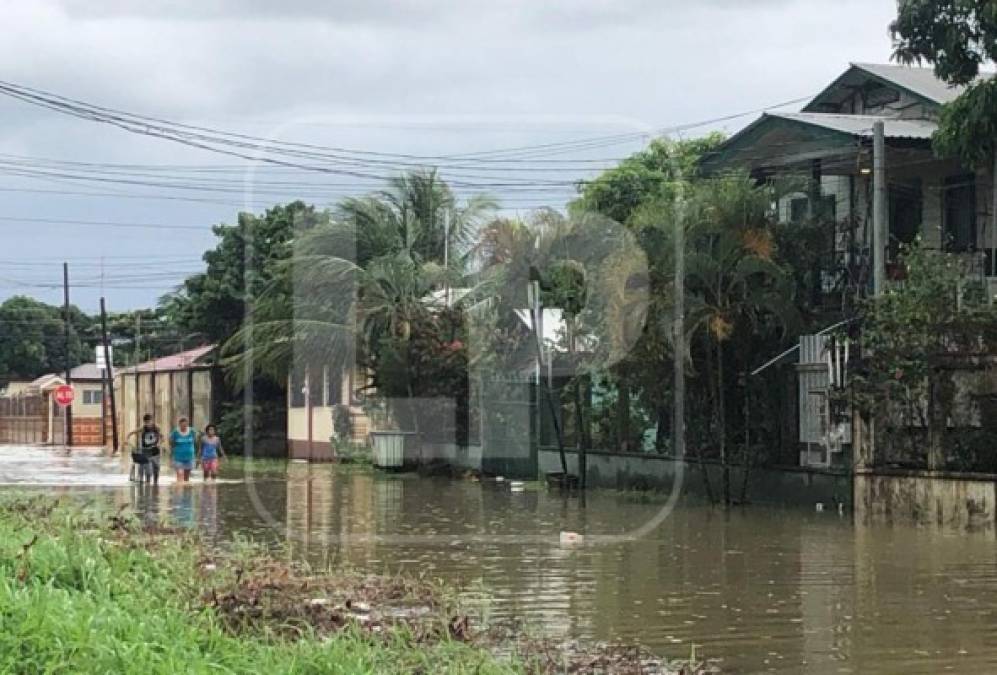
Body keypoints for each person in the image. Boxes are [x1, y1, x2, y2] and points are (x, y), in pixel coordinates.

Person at [125, 414, 161, 485]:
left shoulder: (157, 428)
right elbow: (130, 433)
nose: (148, 424)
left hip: (155, 450)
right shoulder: (143, 428)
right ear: (144, 422)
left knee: (156, 467)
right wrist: (128, 441)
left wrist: (159, 444)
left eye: (150, 422)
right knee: (147, 469)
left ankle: (155, 483)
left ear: (152, 421)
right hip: (145, 450)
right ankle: (148, 483)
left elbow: (162, 437)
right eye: (147, 422)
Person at [169, 417, 198, 483]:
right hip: (178, 457)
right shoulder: (175, 432)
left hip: (189, 457)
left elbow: (195, 441)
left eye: (185, 425)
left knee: (186, 478)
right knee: (180, 474)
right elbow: (170, 442)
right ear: (179, 425)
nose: (184, 427)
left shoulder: (192, 431)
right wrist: (173, 449)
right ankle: (179, 491)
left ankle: (186, 492)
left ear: (187, 425)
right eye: (182, 426)